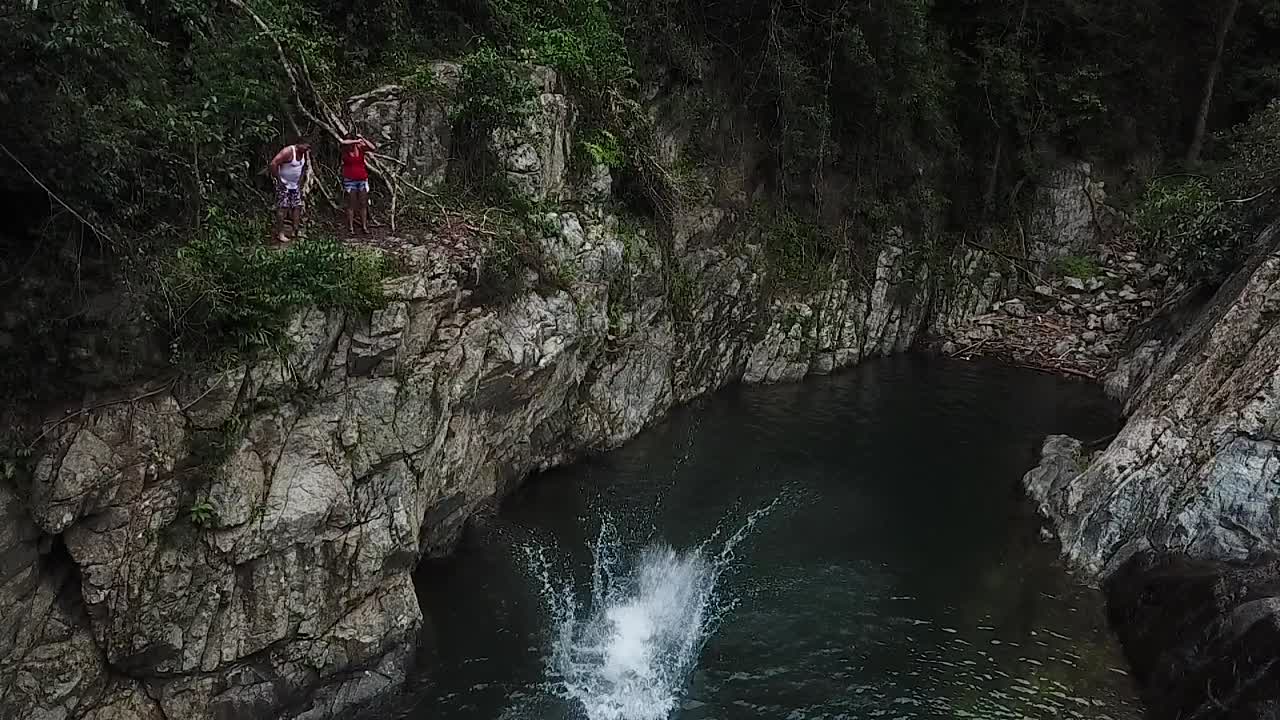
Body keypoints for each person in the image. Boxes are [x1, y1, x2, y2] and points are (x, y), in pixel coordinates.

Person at [269, 142, 311, 243]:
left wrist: (300, 181)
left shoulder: (305, 152)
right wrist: (279, 180)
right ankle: (280, 233)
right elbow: (273, 163)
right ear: (299, 144)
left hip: (295, 185)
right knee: (283, 208)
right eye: (305, 147)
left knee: (297, 207)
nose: (307, 149)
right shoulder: (288, 151)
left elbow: (304, 167)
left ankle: (295, 230)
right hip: (284, 184)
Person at [339, 133, 377, 235]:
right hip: (350, 180)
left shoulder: (360, 148)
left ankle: (364, 226)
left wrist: (362, 138)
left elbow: (372, 148)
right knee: (351, 204)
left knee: (363, 203)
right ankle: (351, 228)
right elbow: (343, 142)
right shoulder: (344, 150)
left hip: (362, 180)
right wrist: (355, 141)